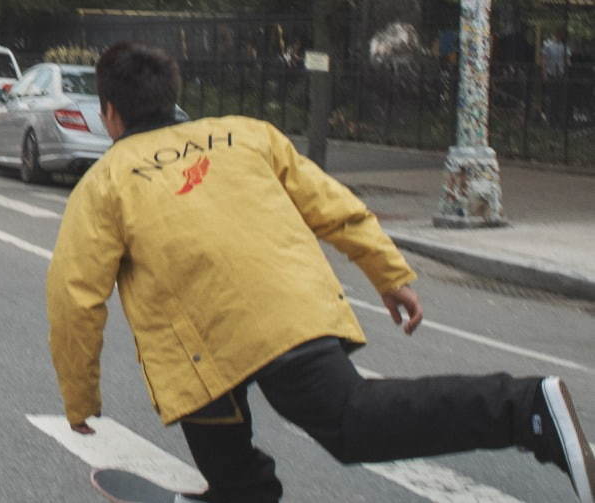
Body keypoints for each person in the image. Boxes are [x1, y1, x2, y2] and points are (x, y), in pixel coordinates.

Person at [46, 41, 594, 503]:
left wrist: (80, 398)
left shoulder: (105, 182)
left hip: (206, 348)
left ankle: (526, 409)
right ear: (173, 94)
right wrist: (387, 271)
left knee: (351, 424)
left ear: (109, 112)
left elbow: (77, 298)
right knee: (226, 449)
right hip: (282, 317)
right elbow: (331, 202)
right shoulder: (248, 134)